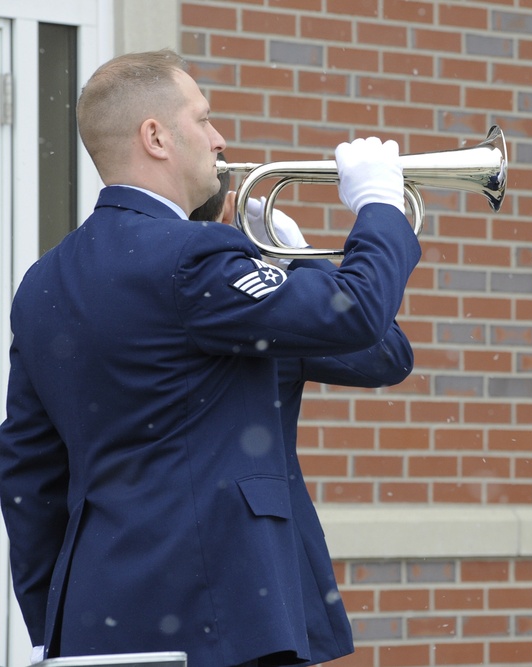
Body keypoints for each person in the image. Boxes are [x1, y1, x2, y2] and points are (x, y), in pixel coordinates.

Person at [0, 49, 421, 667]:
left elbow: (27, 475)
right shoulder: (195, 261)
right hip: (230, 611)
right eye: (204, 118)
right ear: (156, 137)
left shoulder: (42, 282)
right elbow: (359, 312)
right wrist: (380, 208)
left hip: (97, 619)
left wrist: (50, 625)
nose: (221, 138)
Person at [188, 169, 415, 666]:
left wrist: (297, 262)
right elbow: (384, 351)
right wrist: (298, 260)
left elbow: (385, 358)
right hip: (259, 581)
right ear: (228, 213)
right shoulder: (248, 299)